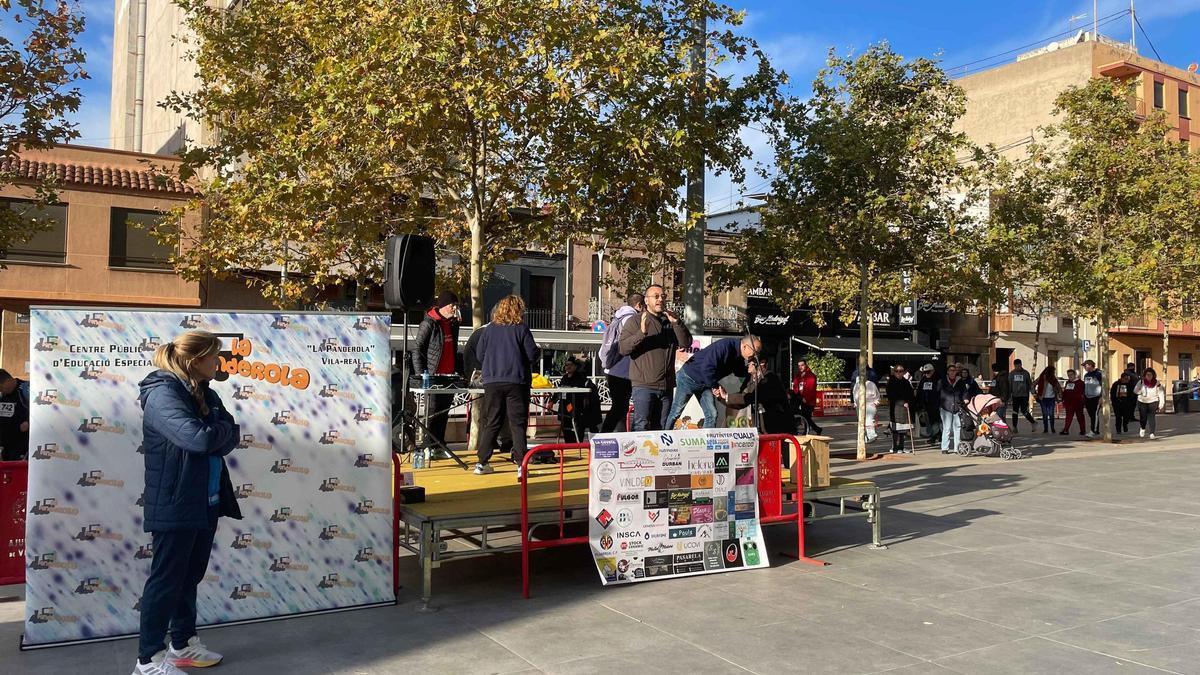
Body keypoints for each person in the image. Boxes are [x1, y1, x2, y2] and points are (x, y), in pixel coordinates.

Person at [133, 331, 240, 675]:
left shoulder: (205, 392)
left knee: (188, 577)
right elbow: (199, 438)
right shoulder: (163, 394)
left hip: (205, 500)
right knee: (166, 580)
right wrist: (218, 431)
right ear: (195, 361)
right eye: (214, 357)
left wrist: (218, 432)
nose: (218, 363)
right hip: (176, 502)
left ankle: (182, 644)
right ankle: (147, 661)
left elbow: (228, 435)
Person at [474, 296, 540, 479]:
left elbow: (479, 354)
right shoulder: (521, 329)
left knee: (492, 421)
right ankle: (521, 464)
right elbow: (532, 355)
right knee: (517, 424)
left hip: (492, 381)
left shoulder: (489, 330)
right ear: (519, 310)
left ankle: (482, 462)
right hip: (516, 380)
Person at [618, 284, 691, 431]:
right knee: (641, 425)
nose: (660, 300)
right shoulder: (635, 321)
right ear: (646, 301)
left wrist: (677, 323)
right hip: (644, 386)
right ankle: (638, 454)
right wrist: (641, 333)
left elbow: (686, 343)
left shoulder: (670, 322)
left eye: (663, 297)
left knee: (663, 428)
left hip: (666, 386)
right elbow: (623, 349)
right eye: (656, 296)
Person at [665, 335, 761, 430]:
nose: (756, 355)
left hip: (705, 383)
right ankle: (664, 439)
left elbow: (738, 371)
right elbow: (706, 369)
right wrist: (715, 386)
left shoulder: (740, 355)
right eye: (755, 351)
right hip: (688, 377)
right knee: (676, 412)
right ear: (745, 346)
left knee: (712, 414)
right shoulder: (725, 346)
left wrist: (750, 370)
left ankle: (707, 443)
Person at [411, 291, 461, 455]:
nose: (454, 308)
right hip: (432, 376)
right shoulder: (429, 323)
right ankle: (428, 445)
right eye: (452, 305)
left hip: (449, 376)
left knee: (444, 412)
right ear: (443, 306)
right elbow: (417, 349)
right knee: (432, 412)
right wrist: (421, 375)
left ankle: (439, 444)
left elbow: (452, 348)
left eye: (456, 305)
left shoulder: (452, 323)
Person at [464, 316, 512, 462]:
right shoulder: (485, 333)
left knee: (495, 410)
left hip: (483, 376)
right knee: (490, 411)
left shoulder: (484, 332)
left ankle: (502, 440)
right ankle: (493, 443)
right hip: (480, 377)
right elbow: (483, 357)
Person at [598, 293, 644, 433]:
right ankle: (605, 437)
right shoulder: (631, 319)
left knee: (620, 408)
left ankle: (616, 437)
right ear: (639, 305)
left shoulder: (618, 317)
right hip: (622, 371)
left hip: (613, 369)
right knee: (620, 408)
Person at [719, 359, 792, 435]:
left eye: (750, 363)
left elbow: (753, 397)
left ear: (761, 364)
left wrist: (727, 396)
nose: (748, 365)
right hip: (759, 425)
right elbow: (742, 398)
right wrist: (722, 397)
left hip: (774, 425)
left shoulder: (769, 378)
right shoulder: (749, 379)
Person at [555, 357, 601, 444]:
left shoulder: (581, 377)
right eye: (566, 365)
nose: (567, 367)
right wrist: (552, 401)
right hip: (565, 407)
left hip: (577, 407)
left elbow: (580, 392)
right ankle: (568, 445)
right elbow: (558, 390)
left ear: (575, 367)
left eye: (570, 365)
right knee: (566, 427)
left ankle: (576, 444)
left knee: (577, 427)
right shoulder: (564, 378)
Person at [0, 369, 30, 461]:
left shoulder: (26, 389)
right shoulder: (2, 395)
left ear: (8, 381)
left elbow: (42, 410)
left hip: (21, 446)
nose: (1, 390)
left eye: (1, 387)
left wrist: (29, 422)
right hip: (6, 446)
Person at [886, 365, 916, 453]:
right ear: (894, 372)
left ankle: (901, 446)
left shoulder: (906, 382)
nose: (899, 373)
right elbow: (890, 395)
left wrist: (909, 402)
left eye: (901, 371)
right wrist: (902, 402)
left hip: (905, 408)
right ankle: (895, 446)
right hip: (895, 407)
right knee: (895, 428)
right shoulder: (891, 382)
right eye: (897, 371)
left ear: (903, 372)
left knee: (903, 429)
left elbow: (911, 394)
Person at [939, 364, 969, 454]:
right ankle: (944, 448)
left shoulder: (960, 381)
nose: (952, 372)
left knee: (957, 428)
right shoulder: (942, 381)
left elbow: (964, 392)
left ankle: (957, 448)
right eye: (951, 370)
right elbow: (937, 393)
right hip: (946, 407)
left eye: (954, 370)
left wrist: (965, 398)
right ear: (948, 372)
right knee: (947, 428)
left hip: (957, 406)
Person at [790, 360, 823, 435]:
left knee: (807, 416)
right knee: (798, 411)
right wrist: (796, 394)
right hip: (800, 398)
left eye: (802, 365)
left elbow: (811, 389)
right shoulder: (798, 375)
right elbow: (795, 386)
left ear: (805, 365)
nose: (800, 367)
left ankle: (816, 429)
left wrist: (806, 399)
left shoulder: (811, 376)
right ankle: (814, 429)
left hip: (809, 400)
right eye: (799, 366)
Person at [1134, 367, 1166, 439]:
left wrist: (1161, 403)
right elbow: (1135, 390)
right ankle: (1142, 428)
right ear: (1145, 375)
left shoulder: (1157, 383)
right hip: (1142, 401)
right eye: (1147, 375)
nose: (1149, 376)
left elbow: (1161, 393)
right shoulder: (1141, 382)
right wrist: (1140, 392)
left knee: (1151, 417)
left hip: (1153, 401)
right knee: (1143, 417)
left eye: (1150, 375)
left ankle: (1152, 433)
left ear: (1153, 375)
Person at [916, 364, 942, 443]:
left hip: (936, 404)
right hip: (926, 404)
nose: (926, 374)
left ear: (933, 371)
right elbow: (920, 391)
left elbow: (939, 391)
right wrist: (919, 402)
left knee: (936, 421)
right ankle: (933, 436)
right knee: (929, 421)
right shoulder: (924, 379)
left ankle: (938, 436)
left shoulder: (938, 379)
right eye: (925, 372)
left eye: (928, 372)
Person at [1008, 359, 1035, 432]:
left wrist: (1033, 392)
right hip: (1015, 395)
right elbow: (1009, 385)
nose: (1018, 367)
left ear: (1021, 365)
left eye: (1019, 366)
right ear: (1014, 366)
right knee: (1015, 411)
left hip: (1024, 395)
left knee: (1024, 411)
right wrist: (1009, 396)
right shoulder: (1011, 374)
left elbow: (1030, 383)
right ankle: (1014, 427)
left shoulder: (1026, 373)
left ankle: (1033, 422)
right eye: (1016, 366)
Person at [851, 375, 880, 443]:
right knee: (861, 422)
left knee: (869, 419)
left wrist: (876, 403)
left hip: (870, 404)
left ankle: (872, 435)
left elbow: (877, 395)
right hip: (860, 406)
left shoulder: (871, 384)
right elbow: (854, 396)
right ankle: (865, 437)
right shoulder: (856, 385)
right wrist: (856, 404)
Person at [1034, 366, 1062, 433]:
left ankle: (1052, 428)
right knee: (1045, 414)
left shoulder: (1053, 379)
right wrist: (1035, 394)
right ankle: (1046, 429)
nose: (1054, 373)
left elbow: (1058, 387)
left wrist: (1060, 395)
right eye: (1053, 372)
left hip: (1051, 398)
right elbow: (1033, 384)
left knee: (1051, 414)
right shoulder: (1041, 378)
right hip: (1043, 399)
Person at [1060, 369, 1086, 436]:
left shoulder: (1080, 383)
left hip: (1078, 403)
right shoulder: (1068, 382)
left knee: (1080, 417)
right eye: (1068, 375)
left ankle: (1083, 430)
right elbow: (1065, 392)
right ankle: (1066, 430)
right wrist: (1062, 399)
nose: (1070, 376)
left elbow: (1083, 393)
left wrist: (1082, 401)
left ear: (1075, 375)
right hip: (1069, 403)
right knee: (1068, 417)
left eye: (1071, 375)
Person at [1082, 360, 1104, 437]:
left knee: (1095, 414)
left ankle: (1093, 431)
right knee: (1091, 415)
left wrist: (1101, 397)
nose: (1084, 367)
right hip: (1088, 397)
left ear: (1090, 365)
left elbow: (1103, 386)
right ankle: (1095, 430)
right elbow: (1085, 386)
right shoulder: (1086, 375)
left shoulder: (1098, 374)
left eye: (1085, 366)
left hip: (1096, 397)